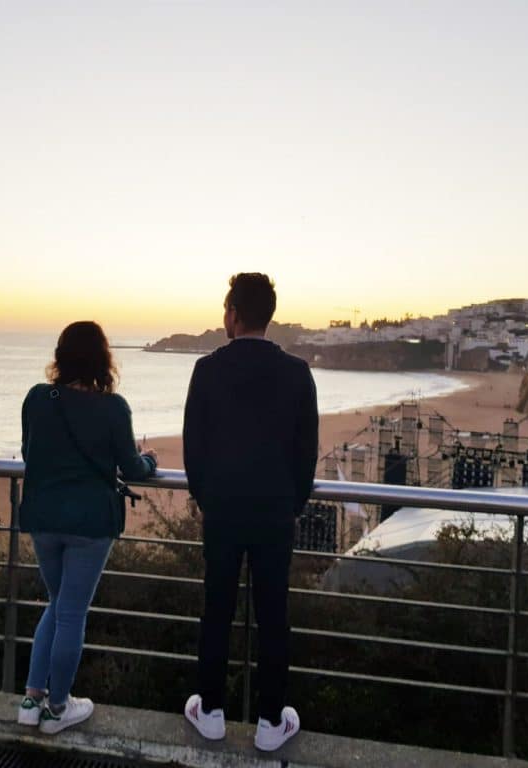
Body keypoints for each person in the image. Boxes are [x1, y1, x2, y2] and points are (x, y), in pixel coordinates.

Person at [181, 273, 319, 751]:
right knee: (273, 613)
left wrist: (205, 496)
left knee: (216, 607)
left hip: (223, 508)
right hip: (275, 510)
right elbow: (306, 451)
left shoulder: (207, 370)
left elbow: (194, 447)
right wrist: (293, 503)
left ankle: (211, 712)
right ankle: (270, 723)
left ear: (235, 314)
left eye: (226, 309)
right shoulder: (297, 372)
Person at [16, 321, 157, 734]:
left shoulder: (38, 398)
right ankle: (57, 709)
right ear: (102, 360)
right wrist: (149, 460)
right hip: (90, 523)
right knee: (71, 613)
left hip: (43, 518)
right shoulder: (114, 408)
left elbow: (28, 451)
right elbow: (132, 468)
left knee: (57, 603)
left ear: (60, 357)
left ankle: (31, 700)